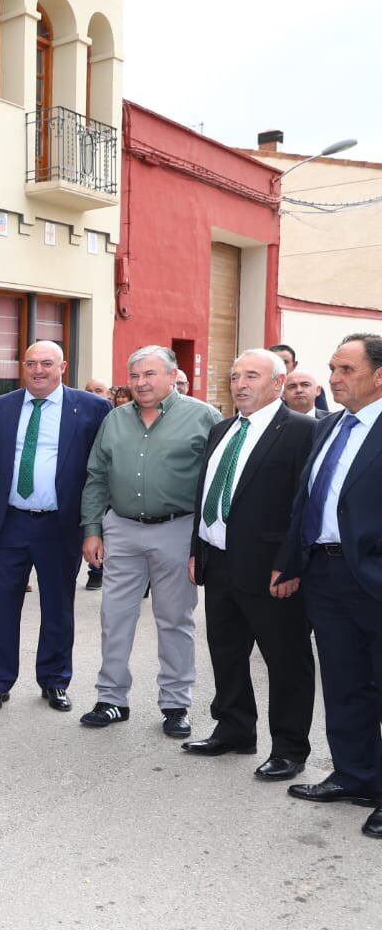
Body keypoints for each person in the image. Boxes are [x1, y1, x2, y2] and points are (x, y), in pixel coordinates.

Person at [181, 351, 315, 780]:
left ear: (278, 382)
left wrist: (291, 565)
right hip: (219, 561)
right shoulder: (222, 429)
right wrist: (196, 549)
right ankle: (236, 729)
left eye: (251, 376)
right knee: (227, 651)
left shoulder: (302, 432)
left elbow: (305, 507)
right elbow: (204, 495)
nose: (240, 384)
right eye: (235, 375)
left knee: (286, 660)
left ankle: (290, 747)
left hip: (273, 570)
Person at [80, 346, 221, 736]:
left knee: (175, 618)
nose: (141, 383)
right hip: (121, 529)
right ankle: (111, 698)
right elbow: (96, 475)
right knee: (115, 616)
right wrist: (92, 528)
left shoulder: (203, 417)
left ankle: (176, 704)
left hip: (177, 529)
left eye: (150, 374)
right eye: (135, 375)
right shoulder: (114, 420)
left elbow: (216, 484)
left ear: (172, 375)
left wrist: (202, 543)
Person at [277, 333, 382, 839]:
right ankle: (355, 775)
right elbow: (306, 501)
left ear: (378, 375)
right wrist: (291, 561)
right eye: (333, 368)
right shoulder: (329, 426)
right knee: (342, 681)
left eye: (345, 369)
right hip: (326, 575)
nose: (333, 379)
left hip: (375, 578)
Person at [0, 342, 112, 713]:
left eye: (47, 363)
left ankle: (54, 681)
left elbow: (100, 472)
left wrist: (93, 527)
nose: (38, 370)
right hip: (10, 524)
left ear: (63, 367)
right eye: (31, 363)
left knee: (58, 606)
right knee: (3, 605)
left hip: (60, 524)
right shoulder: (2, 407)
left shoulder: (92, 407)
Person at [272, 344, 331, 412]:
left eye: (285, 362)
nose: (281, 367)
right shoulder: (260, 390)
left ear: (294, 365)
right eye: (276, 363)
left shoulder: (312, 388)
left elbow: (323, 418)